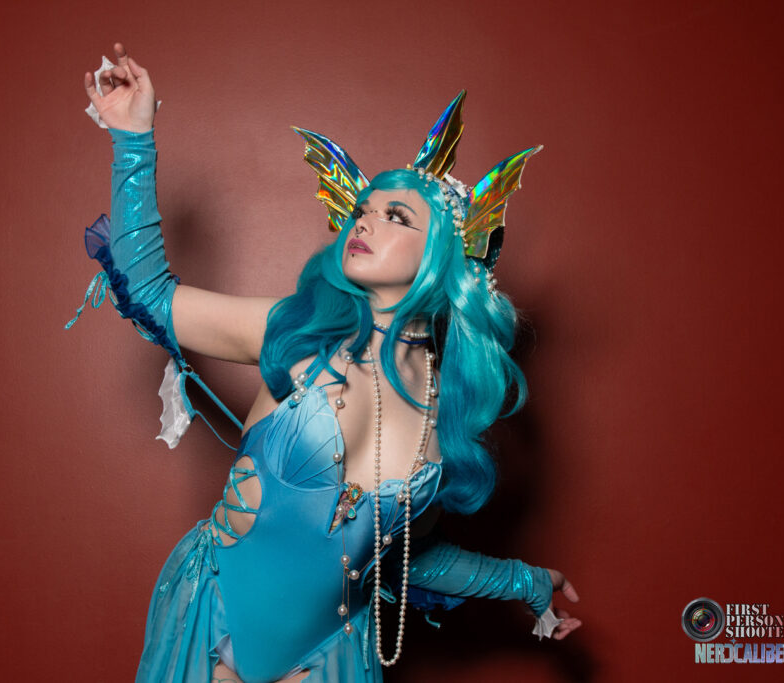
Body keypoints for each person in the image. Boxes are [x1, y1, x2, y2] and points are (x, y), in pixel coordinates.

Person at [72, 42, 582, 683]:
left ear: (444, 255)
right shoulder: (298, 332)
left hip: (329, 655)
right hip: (215, 624)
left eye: (395, 216)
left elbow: (402, 556)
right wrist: (133, 138)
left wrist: (524, 581)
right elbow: (150, 293)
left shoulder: (443, 407)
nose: (364, 222)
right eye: (363, 211)